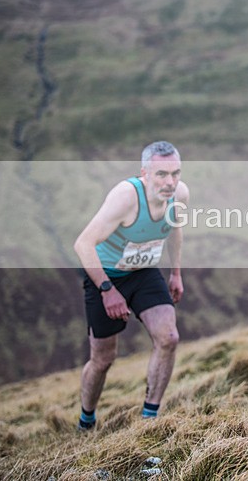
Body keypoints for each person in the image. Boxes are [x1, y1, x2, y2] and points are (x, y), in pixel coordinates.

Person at [73, 141, 189, 430]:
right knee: (103, 359)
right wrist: (107, 291)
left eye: (175, 173)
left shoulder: (181, 194)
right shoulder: (126, 197)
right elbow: (83, 244)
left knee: (169, 338)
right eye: (161, 174)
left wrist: (175, 273)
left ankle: (149, 417)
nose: (170, 182)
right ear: (145, 173)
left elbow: (175, 231)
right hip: (106, 275)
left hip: (145, 272)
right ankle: (86, 419)